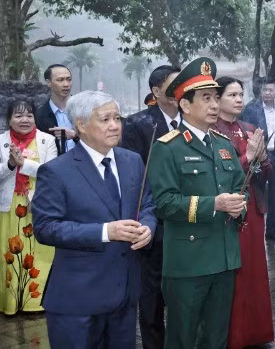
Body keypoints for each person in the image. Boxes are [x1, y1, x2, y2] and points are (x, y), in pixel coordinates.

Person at [32, 90, 156, 348]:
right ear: (81, 125)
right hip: (78, 301)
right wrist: (105, 231)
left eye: (117, 118)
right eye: (105, 119)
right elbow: (45, 227)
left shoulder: (132, 161)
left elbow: (147, 204)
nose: (115, 125)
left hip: (125, 295)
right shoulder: (56, 171)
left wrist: (147, 227)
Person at [147, 57, 247, 348]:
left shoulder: (224, 145)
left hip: (225, 258)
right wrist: (213, 204)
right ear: (185, 105)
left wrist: (239, 205)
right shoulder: (168, 148)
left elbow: (243, 189)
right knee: (182, 338)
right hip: (188, 264)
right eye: (206, 98)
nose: (215, 104)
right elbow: (164, 203)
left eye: (216, 97)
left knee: (216, 338)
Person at [120, 64, 181, 349]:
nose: (181, 88)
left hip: (190, 220)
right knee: (152, 295)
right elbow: (135, 180)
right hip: (155, 223)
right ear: (156, 91)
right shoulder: (138, 124)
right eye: (173, 84)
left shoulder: (194, 120)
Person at [212, 77, 274, 347]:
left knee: (254, 272)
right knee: (234, 274)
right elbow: (220, 174)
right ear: (218, 99)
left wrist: (260, 158)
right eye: (232, 95)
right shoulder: (211, 131)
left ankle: (256, 333)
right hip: (227, 211)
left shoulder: (249, 128)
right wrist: (248, 156)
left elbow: (267, 171)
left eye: (240, 94)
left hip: (253, 210)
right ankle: (232, 336)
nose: (239, 99)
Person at [0, 100, 57, 314]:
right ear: (9, 120)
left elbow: (51, 172)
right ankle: (11, 303)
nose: (24, 120)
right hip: (9, 207)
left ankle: (36, 302)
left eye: (29, 115)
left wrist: (24, 163)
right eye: (18, 115)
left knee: (39, 252)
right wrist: (10, 165)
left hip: (37, 206)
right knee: (9, 254)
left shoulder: (47, 140)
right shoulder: (1, 141)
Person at [241, 77, 275, 241]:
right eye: (264, 90)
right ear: (261, 92)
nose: (267, 93)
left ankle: (271, 230)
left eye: (271, 90)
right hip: (258, 156)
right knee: (257, 192)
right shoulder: (251, 109)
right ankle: (253, 229)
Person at [35, 64, 77, 155]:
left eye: (69, 79)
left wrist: (75, 135)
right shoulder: (39, 115)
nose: (66, 84)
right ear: (48, 82)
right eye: (60, 80)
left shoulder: (84, 109)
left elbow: (97, 137)